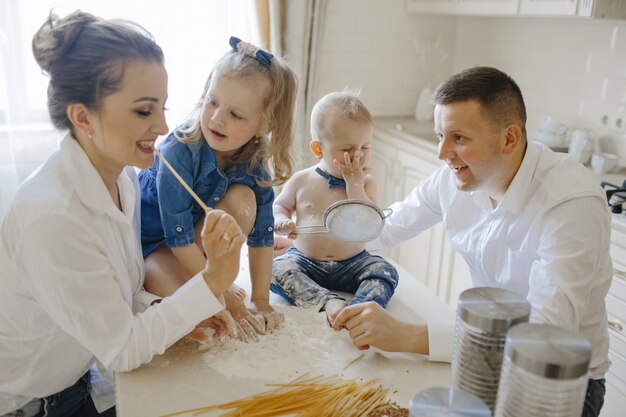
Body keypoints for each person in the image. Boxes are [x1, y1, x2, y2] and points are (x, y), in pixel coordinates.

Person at [0, 10, 246, 417]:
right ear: (83, 117)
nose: (164, 126)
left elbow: (120, 294)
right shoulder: (52, 218)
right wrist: (211, 281)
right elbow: (123, 349)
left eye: (163, 107)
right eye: (144, 111)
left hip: (80, 379)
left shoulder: (124, 179)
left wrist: (176, 312)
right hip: (31, 405)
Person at [331, 66, 611, 417]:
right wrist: (307, 228)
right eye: (439, 136)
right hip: (481, 356)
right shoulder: (455, 177)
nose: (442, 153)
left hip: (558, 384)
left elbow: (542, 335)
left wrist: (407, 337)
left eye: (459, 138)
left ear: (509, 138)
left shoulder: (569, 204)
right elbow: (385, 227)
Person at [138, 36, 297, 340]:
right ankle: (213, 283)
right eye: (212, 101)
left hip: (194, 244)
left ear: (263, 125)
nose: (216, 118)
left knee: (244, 199)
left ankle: (212, 281)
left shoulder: (255, 161)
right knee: (195, 311)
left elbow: (262, 237)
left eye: (235, 114)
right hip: (157, 249)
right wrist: (223, 296)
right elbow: (179, 239)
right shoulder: (179, 151)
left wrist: (260, 301)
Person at [272, 91, 399, 323]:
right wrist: (281, 220)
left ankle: (359, 310)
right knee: (275, 271)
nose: (358, 156)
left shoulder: (367, 182)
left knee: (384, 271)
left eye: (365, 147)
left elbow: (368, 221)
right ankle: (326, 301)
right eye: (347, 150)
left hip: (353, 263)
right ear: (319, 149)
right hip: (306, 261)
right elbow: (279, 205)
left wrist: (354, 184)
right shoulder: (302, 180)